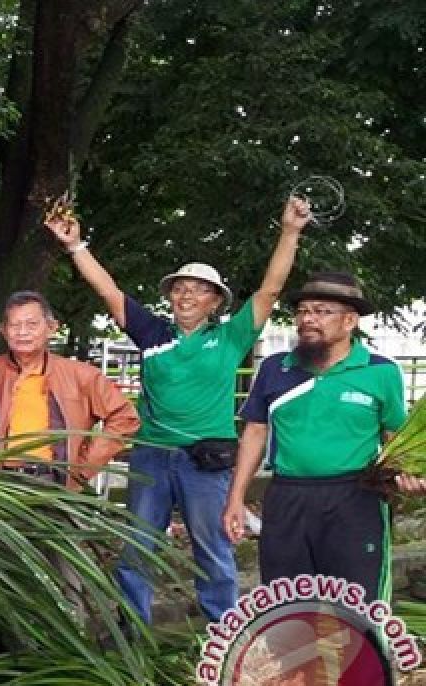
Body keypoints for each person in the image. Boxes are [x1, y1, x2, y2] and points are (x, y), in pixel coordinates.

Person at [44, 196, 311, 624]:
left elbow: (271, 290)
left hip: (205, 462)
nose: (187, 295)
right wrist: (75, 246)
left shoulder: (230, 336)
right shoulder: (153, 333)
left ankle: (223, 641)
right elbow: (109, 291)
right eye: (180, 288)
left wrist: (291, 232)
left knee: (213, 552)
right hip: (151, 456)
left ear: (215, 301)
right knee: (135, 551)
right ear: (170, 296)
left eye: (199, 289)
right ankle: (133, 641)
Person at [223, 273, 426, 602]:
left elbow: (395, 438)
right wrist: (236, 498)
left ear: (349, 321)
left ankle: (361, 656)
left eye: (321, 311)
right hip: (287, 498)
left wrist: (410, 477)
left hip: (355, 500)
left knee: (358, 606)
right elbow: (255, 431)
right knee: (285, 604)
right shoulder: (275, 368)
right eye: (302, 311)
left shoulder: (380, 372)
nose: (308, 319)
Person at [0, 290, 139, 487]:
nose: (22, 332)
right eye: (14, 325)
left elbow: (125, 418)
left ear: (51, 328)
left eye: (32, 324)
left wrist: (83, 467)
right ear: (3, 331)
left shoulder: (80, 375)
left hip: (52, 481)